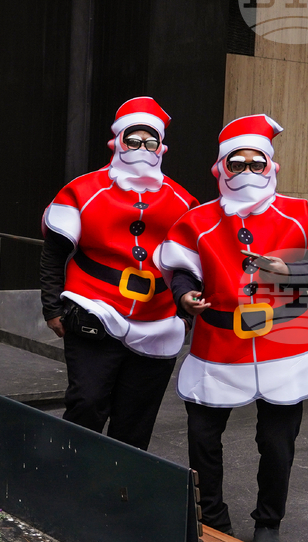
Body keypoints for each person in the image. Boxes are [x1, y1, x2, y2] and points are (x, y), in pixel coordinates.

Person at [157, 114, 308, 542]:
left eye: (254, 164)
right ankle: (213, 520)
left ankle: (269, 523)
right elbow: (180, 270)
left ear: (270, 167)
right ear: (221, 170)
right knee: (203, 434)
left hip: (287, 343)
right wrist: (185, 297)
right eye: (235, 164)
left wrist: (288, 269)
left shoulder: (296, 212)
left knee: (276, 441)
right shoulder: (197, 220)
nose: (245, 173)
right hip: (219, 344)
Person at [40, 96, 198, 450]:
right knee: (87, 405)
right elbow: (54, 252)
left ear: (161, 148)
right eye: (133, 140)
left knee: (136, 421)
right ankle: (71, 480)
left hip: (158, 319)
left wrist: (183, 316)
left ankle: (119, 496)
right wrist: (51, 306)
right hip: (93, 307)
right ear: (117, 142)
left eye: (151, 141)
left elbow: (190, 265)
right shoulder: (83, 190)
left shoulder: (183, 201)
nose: (142, 148)